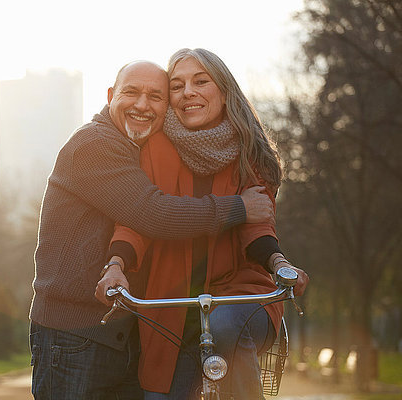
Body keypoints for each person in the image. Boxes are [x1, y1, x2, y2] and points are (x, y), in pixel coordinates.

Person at [29, 60, 276, 399]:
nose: (142, 105)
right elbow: (152, 213)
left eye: (156, 97)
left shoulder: (144, 150)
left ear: (168, 108)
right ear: (110, 95)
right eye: (131, 93)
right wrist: (239, 207)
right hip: (74, 335)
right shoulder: (94, 144)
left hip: (121, 331)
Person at [95, 49, 310, 399]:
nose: (188, 92)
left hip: (241, 294)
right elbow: (138, 218)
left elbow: (256, 225)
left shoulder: (250, 153)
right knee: (161, 393)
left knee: (225, 326)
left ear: (223, 91)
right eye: (177, 86)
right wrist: (116, 265)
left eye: (200, 81)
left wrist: (279, 263)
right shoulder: (155, 149)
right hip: (172, 303)